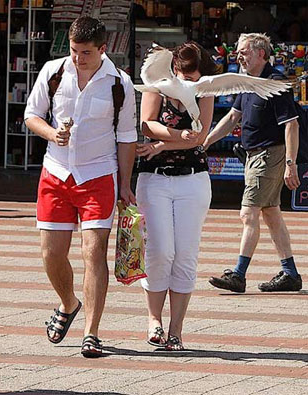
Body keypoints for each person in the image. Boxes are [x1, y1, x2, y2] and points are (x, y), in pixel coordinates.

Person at [24, 16, 137, 358]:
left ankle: (92, 332)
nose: (78, 58)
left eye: (85, 52)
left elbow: (127, 137)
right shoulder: (54, 71)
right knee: (51, 254)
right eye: (74, 51)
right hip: (56, 172)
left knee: (93, 252)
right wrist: (51, 134)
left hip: (99, 175)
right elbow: (32, 115)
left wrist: (125, 185)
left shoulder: (119, 83)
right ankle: (68, 303)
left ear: (103, 49)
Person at [204, 33, 302, 293]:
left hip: (270, 154)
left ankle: (238, 274)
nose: (239, 56)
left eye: (244, 51)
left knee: (248, 213)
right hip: (253, 156)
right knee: (271, 214)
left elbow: (291, 125)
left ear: (261, 54)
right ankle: (290, 273)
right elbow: (232, 118)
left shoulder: (275, 83)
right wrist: (204, 142)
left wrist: (290, 163)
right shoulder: (248, 83)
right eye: (238, 51)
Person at [135, 41, 216, 351]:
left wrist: (164, 144)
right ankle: (153, 319)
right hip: (154, 179)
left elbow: (201, 137)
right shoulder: (158, 84)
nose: (188, 83)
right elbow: (147, 124)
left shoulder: (205, 91)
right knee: (160, 251)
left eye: (193, 77)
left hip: (193, 180)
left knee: (185, 254)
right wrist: (176, 138)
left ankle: (176, 330)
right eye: (183, 75)